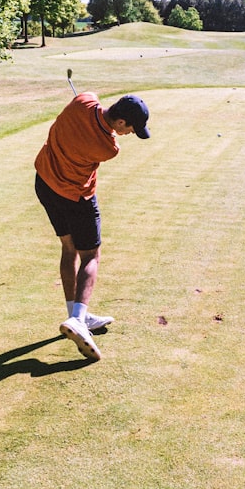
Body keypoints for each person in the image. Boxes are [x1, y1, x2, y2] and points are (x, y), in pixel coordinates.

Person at [34, 91, 150, 360]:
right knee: (91, 255)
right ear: (120, 123)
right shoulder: (109, 148)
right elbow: (100, 134)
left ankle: (77, 315)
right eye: (132, 128)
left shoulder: (82, 100)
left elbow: (90, 103)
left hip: (45, 184)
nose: (132, 133)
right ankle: (77, 320)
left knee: (68, 247)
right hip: (76, 196)